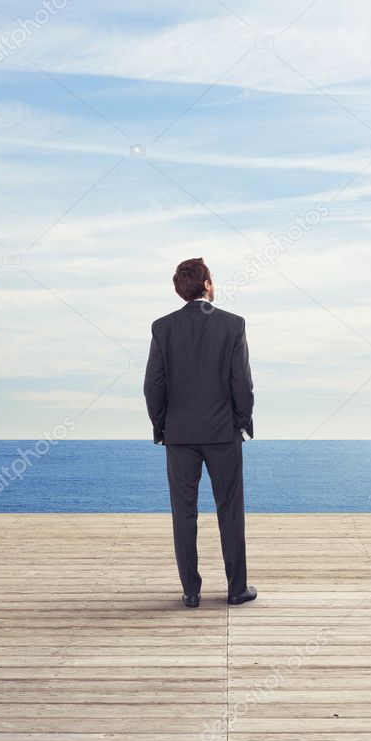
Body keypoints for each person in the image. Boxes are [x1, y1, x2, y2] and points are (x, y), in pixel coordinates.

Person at [143, 258, 257, 608]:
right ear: (207, 284)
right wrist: (242, 420)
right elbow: (243, 383)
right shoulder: (232, 324)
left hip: (179, 435)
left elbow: (153, 386)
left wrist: (161, 426)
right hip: (223, 432)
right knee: (230, 510)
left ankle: (191, 591)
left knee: (184, 513)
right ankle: (236, 589)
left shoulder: (163, 327)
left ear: (181, 289)